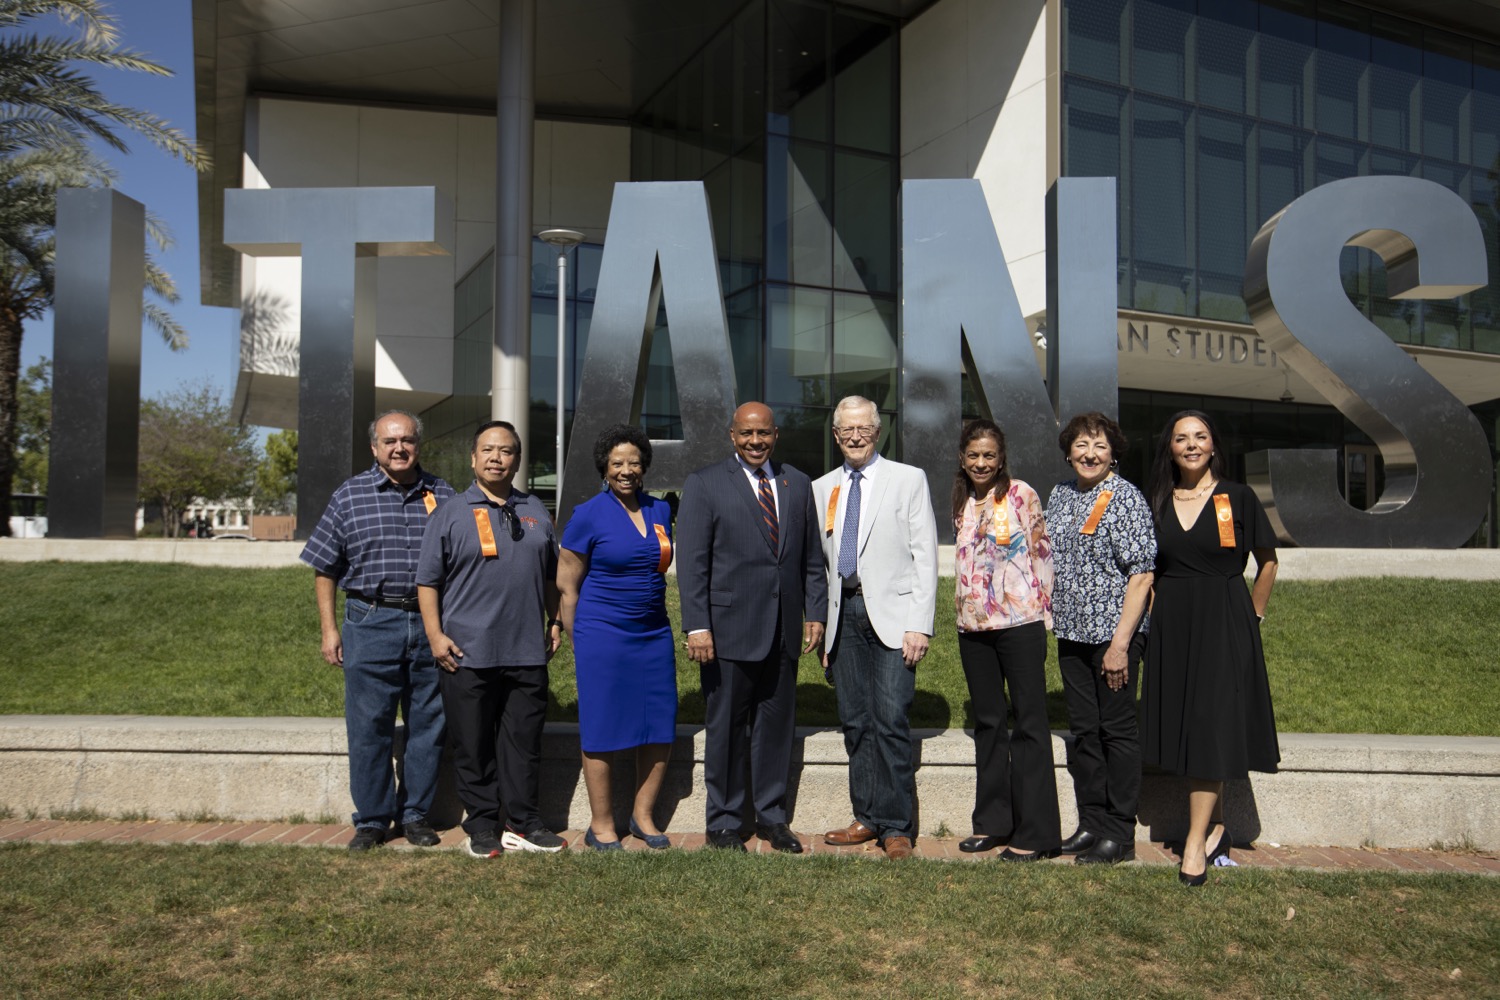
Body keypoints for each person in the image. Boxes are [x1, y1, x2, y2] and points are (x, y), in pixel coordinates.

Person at [676, 402, 827, 853]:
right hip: (726, 632)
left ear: (775, 435)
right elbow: (692, 563)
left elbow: (811, 559)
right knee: (725, 728)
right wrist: (697, 626)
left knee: (776, 729)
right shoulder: (704, 484)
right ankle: (723, 822)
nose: (755, 442)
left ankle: (772, 817)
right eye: (746, 434)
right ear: (732, 435)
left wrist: (814, 612)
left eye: (763, 434)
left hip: (783, 630)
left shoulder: (797, 483)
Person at [300, 409, 454, 852]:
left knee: (429, 723)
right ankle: (371, 819)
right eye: (389, 441)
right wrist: (330, 630)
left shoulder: (443, 494)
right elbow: (325, 568)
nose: (399, 448)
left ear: (418, 445)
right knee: (369, 726)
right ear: (374, 448)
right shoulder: (350, 496)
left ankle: (416, 815)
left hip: (431, 623)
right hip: (370, 621)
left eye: (407, 439)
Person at [416, 420, 565, 859]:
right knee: (474, 745)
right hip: (466, 654)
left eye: (506, 451)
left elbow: (551, 576)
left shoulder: (536, 510)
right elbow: (427, 581)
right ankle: (482, 826)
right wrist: (435, 635)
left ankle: (523, 822)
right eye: (488, 450)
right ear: (473, 458)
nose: (497, 457)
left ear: (518, 460)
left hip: (525, 652)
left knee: (523, 743)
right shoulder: (449, 512)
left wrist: (554, 622)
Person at [1142, 409, 1279, 886]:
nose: (1192, 445)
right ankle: (1217, 825)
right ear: (1171, 448)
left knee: (1209, 724)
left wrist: (1253, 615)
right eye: (1182, 438)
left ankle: (1196, 842)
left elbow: (1267, 562)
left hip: (1224, 620)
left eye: (1200, 437)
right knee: (1194, 723)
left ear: (1214, 445)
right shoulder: (1157, 499)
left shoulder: (1236, 498)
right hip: (1174, 625)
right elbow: (1149, 569)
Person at [812, 396, 938, 861]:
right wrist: (823, 625)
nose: (856, 436)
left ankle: (897, 826)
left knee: (890, 719)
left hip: (893, 618)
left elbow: (925, 554)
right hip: (844, 618)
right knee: (855, 723)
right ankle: (866, 817)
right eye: (847, 430)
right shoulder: (822, 487)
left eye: (864, 428)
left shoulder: (908, 479)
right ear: (836, 435)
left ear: (878, 431)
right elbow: (819, 566)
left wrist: (919, 625)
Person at [557, 424, 678, 852]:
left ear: (644, 466)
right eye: (617, 463)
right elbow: (567, 585)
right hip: (602, 634)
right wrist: (579, 639)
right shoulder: (588, 513)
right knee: (603, 726)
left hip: (653, 632)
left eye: (634, 462)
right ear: (604, 469)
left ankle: (643, 816)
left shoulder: (660, 511)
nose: (626, 470)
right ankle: (601, 823)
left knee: (660, 724)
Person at [1045, 412, 1155, 865]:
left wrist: (1120, 646)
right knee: (1084, 733)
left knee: (1117, 732)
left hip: (1114, 639)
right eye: (1081, 446)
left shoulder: (1126, 498)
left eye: (1100, 447)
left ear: (1114, 453)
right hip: (1071, 634)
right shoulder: (1061, 494)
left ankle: (1119, 832)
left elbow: (1142, 576)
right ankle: (1090, 824)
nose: (1090, 454)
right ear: (1068, 452)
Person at [951, 418, 1060, 861]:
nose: (981, 463)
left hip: (1019, 624)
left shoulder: (1022, 494)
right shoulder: (961, 500)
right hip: (972, 629)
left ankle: (1037, 834)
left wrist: (1043, 612)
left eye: (989, 455)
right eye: (974, 455)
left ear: (1002, 458)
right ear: (963, 458)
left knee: (1030, 723)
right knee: (989, 724)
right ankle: (993, 823)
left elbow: (1042, 553)